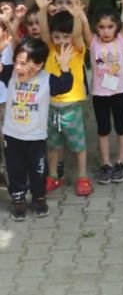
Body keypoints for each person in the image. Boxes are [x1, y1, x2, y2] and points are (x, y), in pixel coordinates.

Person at [2, 38, 75, 221]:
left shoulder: (47, 80)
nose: (19, 68)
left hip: (36, 138)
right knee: (15, 169)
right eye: (17, 62)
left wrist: (65, 67)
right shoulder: (10, 74)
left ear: (39, 64)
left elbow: (65, 85)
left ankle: (39, 197)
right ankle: (18, 199)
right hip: (12, 136)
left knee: (38, 170)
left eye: (24, 63)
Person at [36, 0, 90, 197]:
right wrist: (42, 10)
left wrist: (77, 16)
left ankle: (83, 177)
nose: (61, 41)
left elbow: (76, 34)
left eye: (65, 36)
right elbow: (43, 30)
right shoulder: (50, 48)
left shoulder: (77, 49)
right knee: (53, 145)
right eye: (57, 36)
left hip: (71, 108)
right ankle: (53, 176)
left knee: (78, 145)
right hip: (50, 106)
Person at [85, 0, 123, 185]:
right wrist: (81, 4)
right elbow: (83, 21)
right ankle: (105, 164)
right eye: (102, 27)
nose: (105, 31)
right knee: (103, 129)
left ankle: (121, 162)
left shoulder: (122, 40)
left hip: (120, 92)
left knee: (121, 127)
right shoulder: (93, 43)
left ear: (116, 27)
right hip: (100, 95)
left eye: (110, 27)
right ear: (96, 28)